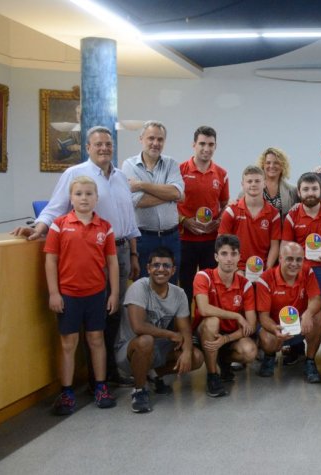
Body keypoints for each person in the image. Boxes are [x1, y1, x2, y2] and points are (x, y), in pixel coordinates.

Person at [15, 125, 140, 387]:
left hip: (120, 251)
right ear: (88, 147)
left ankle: (108, 373)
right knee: (93, 314)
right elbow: (55, 208)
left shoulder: (120, 178)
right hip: (91, 252)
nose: (104, 148)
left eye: (108, 143)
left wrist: (134, 253)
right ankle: (93, 377)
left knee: (113, 311)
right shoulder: (75, 174)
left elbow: (129, 219)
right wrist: (38, 228)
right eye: (98, 144)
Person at [44, 176, 119, 414]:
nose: (84, 198)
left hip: (96, 294)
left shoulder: (105, 227)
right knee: (69, 343)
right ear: (71, 198)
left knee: (97, 340)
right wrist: (54, 293)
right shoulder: (59, 224)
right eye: (78, 194)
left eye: (89, 194)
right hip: (68, 295)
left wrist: (114, 293)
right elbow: (51, 260)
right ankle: (66, 393)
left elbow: (113, 263)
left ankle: (100, 386)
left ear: (97, 198)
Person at [115, 247, 204, 413]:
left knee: (196, 358)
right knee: (146, 340)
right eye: (156, 265)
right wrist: (170, 334)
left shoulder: (179, 293)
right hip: (129, 351)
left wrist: (186, 352)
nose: (161, 269)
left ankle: (153, 374)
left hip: (157, 349)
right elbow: (139, 326)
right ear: (148, 268)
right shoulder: (138, 288)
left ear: (173, 270)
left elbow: (185, 329)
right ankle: (139, 390)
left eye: (166, 265)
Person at [191, 234, 257, 398]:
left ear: (240, 257)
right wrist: (236, 316)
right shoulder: (203, 276)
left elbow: (251, 325)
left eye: (234, 254)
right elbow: (204, 309)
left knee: (249, 352)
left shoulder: (246, 285)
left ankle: (224, 361)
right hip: (204, 333)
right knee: (212, 321)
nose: (229, 259)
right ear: (216, 256)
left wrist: (226, 339)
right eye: (224, 254)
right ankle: (213, 376)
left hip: (230, 336)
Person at [121, 121, 184, 282]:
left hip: (171, 237)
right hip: (144, 238)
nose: (155, 143)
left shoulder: (171, 163)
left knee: (171, 285)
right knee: (144, 285)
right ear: (141, 139)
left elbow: (176, 192)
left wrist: (142, 185)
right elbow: (136, 201)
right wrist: (168, 196)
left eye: (160, 140)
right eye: (151, 138)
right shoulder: (128, 165)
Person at [256, 241, 321, 383]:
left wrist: (308, 314)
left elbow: (317, 299)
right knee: (268, 339)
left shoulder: (307, 271)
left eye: (299, 259)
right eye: (289, 259)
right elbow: (263, 317)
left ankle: (310, 361)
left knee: (319, 317)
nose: (294, 263)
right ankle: (269, 356)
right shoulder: (265, 279)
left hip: (300, 325)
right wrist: (275, 329)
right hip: (277, 327)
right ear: (280, 259)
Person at [177, 126, 229, 307]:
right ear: (193, 145)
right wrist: (184, 220)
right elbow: (169, 203)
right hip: (185, 239)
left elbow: (224, 204)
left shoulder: (222, 174)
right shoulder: (179, 170)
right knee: (185, 288)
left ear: (216, 146)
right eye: (202, 144)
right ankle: (186, 330)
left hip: (211, 241)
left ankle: (205, 328)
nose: (206, 148)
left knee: (209, 288)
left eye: (211, 144)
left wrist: (219, 221)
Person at [283, 172, 321, 296]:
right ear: (299, 193)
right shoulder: (292, 215)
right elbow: (285, 245)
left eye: (314, 189)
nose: (310, 193)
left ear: (320, 190)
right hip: (299, 267)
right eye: (306, 189)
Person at [218, 165, 281, 271]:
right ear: (242, 184)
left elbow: (275, 246)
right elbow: (222, 243)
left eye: (257, 181)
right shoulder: (231, 212)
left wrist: (267, 269)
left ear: (264, 183)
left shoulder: (274, 214)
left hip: (262, 268)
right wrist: (234, 269)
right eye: (249, 181)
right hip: (237, 269)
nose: (253, 184)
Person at [258, 147, 298, 217]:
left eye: (276, 163)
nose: (271, 166)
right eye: (268, 163)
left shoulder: (293, 191)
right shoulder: (251, 189)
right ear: (262, 165)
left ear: (282, 166)